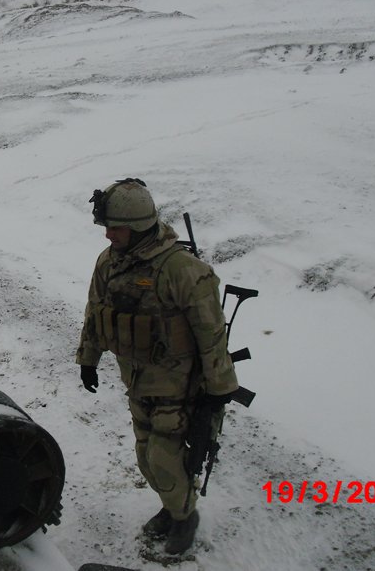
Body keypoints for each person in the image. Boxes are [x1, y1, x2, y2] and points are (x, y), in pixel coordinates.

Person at [76, 178, 239, 555]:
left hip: (177, 386)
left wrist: (219, 388)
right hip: (137, 381)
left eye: (115, 229)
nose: (108, 236)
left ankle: (184, 516)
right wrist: (88, 359)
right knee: (146, 458)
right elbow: (95, 311)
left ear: (137, 228)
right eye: (107, 228)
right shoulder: (109, 263)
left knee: (163, 460)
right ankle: (173, 505)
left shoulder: (183, 271)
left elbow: (212, 334)